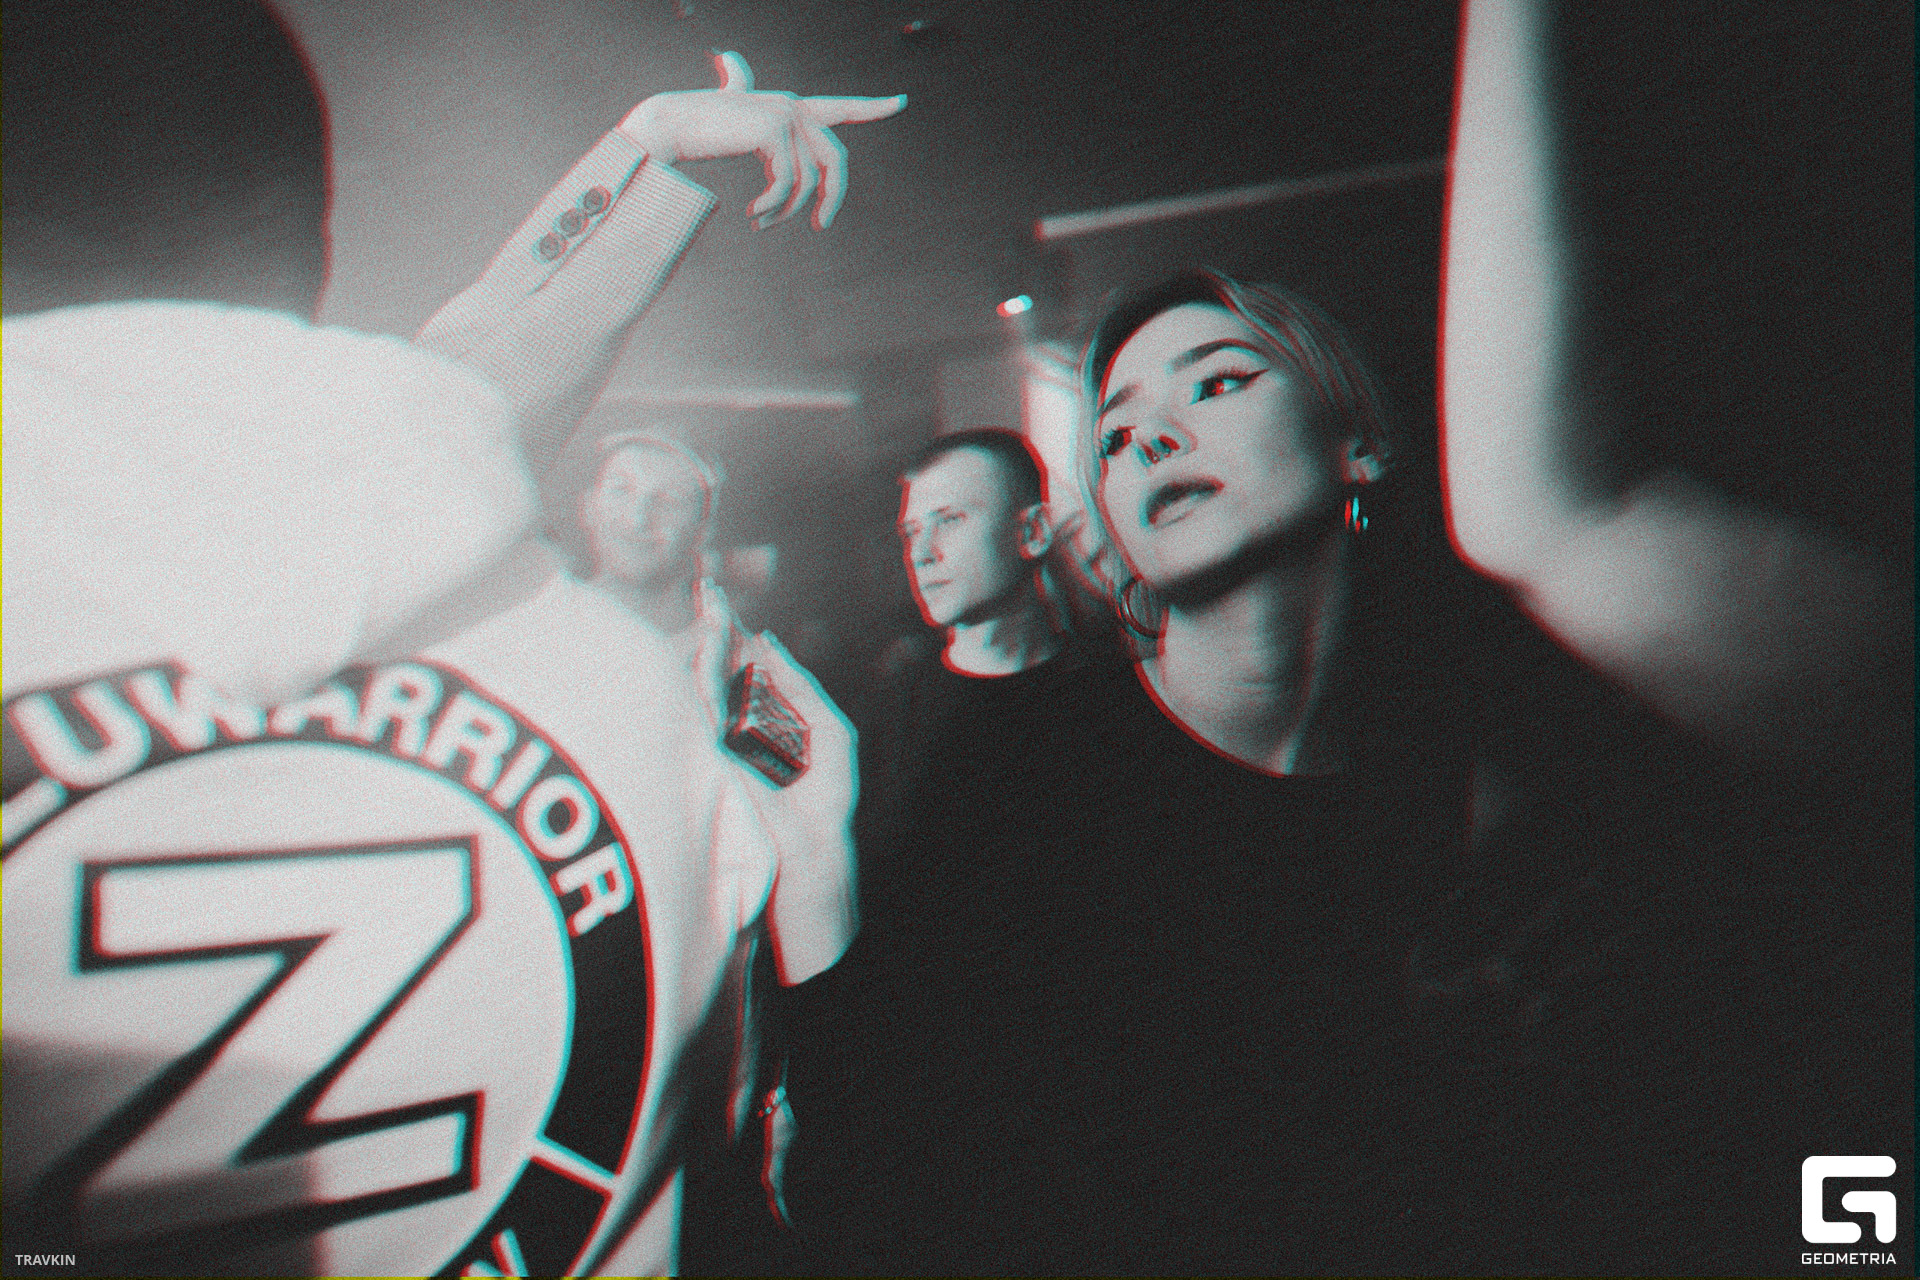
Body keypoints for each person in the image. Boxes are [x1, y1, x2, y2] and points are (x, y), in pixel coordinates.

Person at [1, 2, 897, 1273]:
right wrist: (645, 160)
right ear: (317, 241)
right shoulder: (616, 699)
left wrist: (647, 158)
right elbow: (436, 409)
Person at [1021, 0, 1908, 1271]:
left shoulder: (1495, 775)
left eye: (1218, 381)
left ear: (1359, 447)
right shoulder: (1037, 780)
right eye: (1115, 433)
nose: (1151, 433)